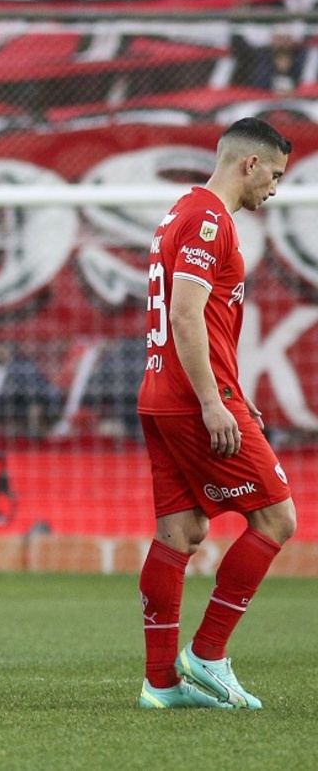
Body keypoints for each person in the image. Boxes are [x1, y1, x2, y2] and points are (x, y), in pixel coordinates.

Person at [136, 117, 296, 710]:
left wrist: (228, 387)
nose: (275, 188)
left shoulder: (180, 210)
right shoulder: (209, 219)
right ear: (248, 164)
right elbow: (185, 315)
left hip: (160, 393)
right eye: (274, 174)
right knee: (277, 519)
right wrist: (212, 399)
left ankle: (160, 684)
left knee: (181, 531)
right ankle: (207, 655)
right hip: (193, 400)